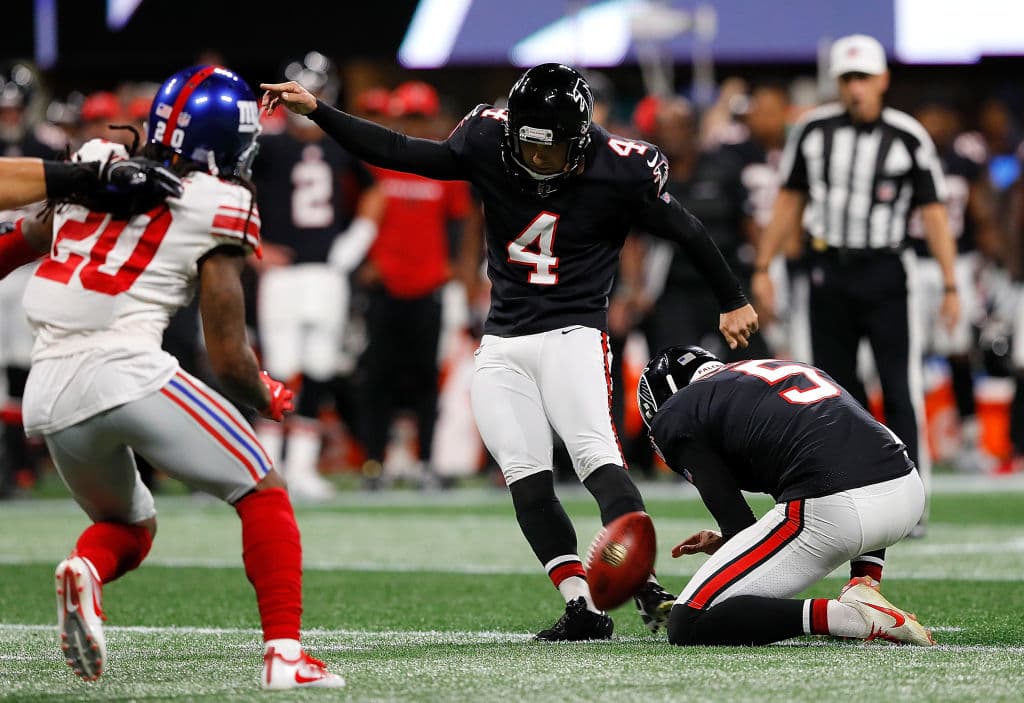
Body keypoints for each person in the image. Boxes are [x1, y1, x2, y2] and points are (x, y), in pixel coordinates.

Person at [262, 62, 759, 639]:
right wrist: (320, 111)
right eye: (528, 147)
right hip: (502, 339)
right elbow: (401, 151)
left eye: (551, 151)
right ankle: (582, 606)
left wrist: (732, 300)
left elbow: (689, 231)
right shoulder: (487, 140)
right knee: (525, 476)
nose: (536, 162)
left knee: (597, 459)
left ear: (579, 137)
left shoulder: (621, 170)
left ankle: (642, 580)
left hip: (574, 334)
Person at [7, 65, 342, 689]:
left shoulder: (99, 155)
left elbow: (27, 236)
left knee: (130, 527)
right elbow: (226, 353)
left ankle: (85, 567)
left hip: (49, 385)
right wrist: (263, 392)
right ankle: (285, 657)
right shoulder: (223, 201)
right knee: (263, 491)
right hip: (124, 366)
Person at [751, 34, 960, 537]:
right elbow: (790, 202)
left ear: (883, 80)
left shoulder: (908, 136)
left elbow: (933, 212)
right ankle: (854, 499)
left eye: (863, 77)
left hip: (887, 272)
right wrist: (762, 266)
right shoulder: (814, 132)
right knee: (837, 393)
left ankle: (913, 504)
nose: (856, 89)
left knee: (900, 388)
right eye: (847, 79)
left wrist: (952, 283)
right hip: (829, 273)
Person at [637, 344, 935, 647]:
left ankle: (850, 617)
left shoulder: (677, 412)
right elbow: (857, 445)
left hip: (837, 509)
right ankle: (865, 584)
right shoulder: (780, 372)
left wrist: (734, 542)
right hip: (908, 492)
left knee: (689, 621)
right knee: (846, 458)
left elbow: (737, 522)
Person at [251, 52, 382, 500]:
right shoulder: (265, 145)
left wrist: (354, 244)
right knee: (279, 369)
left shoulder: (339, 140)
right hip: (283, 275)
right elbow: (230, 188)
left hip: (325, 273)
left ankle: (302, 467)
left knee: (320, 368)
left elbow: (374, 194)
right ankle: (266, 463)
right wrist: (254, 244)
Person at [354, 80, 471, 488]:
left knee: (424, 380)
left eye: (421, 117)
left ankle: (423, 461)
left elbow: (463, 224)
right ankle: (373, 463)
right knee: (377, 378)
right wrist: (364, 263)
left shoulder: (446, 165)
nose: (416, 126)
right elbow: (357, 212)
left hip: (428, 285)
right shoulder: (376, 160)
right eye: (409, 118)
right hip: (384, 285)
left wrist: (458, 270)